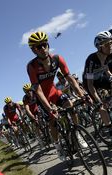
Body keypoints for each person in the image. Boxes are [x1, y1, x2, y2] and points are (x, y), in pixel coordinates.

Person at [26, 31, 90, 160]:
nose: (43, 48)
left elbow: (69, 78)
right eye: (39, 47)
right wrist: (49, 109)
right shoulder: (32, 66)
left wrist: (81, 94)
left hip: (54, 92)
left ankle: (77, 133)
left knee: (70, 105)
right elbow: (38, 91)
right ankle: (58, 146)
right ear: (34, 50)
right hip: (43, 98)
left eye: (44, 44)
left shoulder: (57, 59)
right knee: (52, 120)